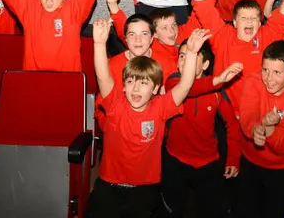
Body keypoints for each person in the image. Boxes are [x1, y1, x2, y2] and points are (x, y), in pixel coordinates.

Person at [84, 20, 206, 218]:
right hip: (109, 184)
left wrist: (191, 54)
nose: (136, 88)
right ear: (123, 86)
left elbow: (184, 86)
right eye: (130, 82)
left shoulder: (161, 107)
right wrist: (99, 44)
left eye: (144, 83)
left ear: (156, 88)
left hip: (145, 189)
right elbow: (102, 76)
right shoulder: (115, 104)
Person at [161, 42, 242, 218]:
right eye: (182, 55)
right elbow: (189, 89)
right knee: (172, 208)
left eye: (192, 55)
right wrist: (217, 80)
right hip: (175, 158)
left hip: (207, 162)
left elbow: (232, 125)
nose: (185, 60)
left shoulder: (217, 92)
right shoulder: (172, 81)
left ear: (205, 64)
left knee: (212, 210)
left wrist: (233, 159)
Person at [235, 41, 284, 218]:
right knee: (245, 211)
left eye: (277, 72)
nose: (269, 78)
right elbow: (248, 113)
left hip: (283, 166)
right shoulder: (253, 82)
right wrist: (255, 130)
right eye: (265, 70)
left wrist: (269, 129)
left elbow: (283, 145)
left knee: (275, 212)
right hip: (251, 159)